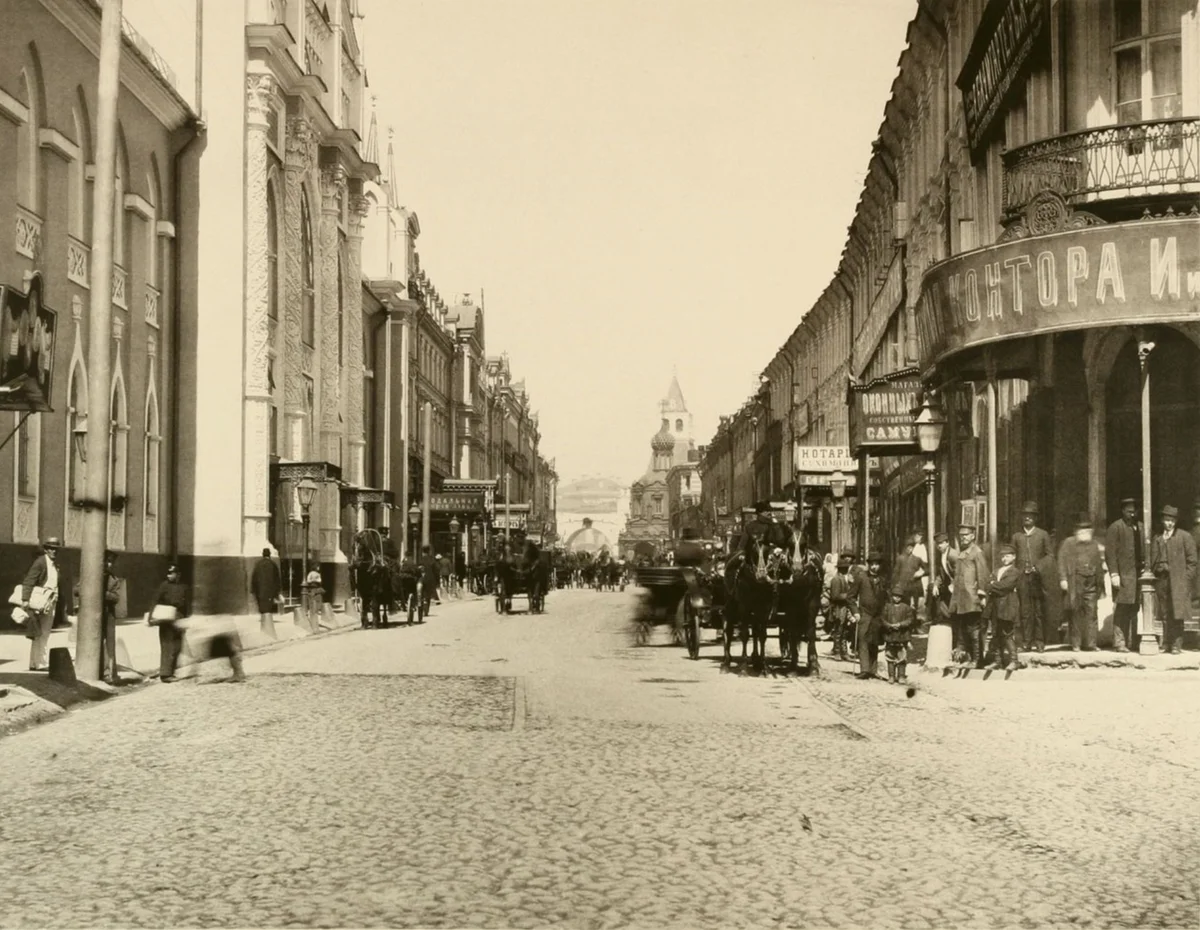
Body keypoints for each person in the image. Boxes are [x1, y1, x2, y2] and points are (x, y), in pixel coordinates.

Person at [1151, 504, 1197, 655]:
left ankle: (1176, 644)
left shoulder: (1184, 537)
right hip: (1161, 580)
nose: (1169, 523)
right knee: (1164, 613)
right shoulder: (1158, 538)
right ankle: (1166, 643)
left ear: (1175, 521)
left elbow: (1192, 562)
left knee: (1177, 612)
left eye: (1172, 520)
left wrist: (1186, 579)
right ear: (1162, 520)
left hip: (1178, 581)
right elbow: (1152, 558)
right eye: (1166, 519)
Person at [1057, 514, 1107, 652]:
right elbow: (1061, 561)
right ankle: (1076, 644)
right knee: (1075, 613)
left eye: (1087, 530)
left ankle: (1090, 643)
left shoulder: (1094, 545)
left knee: (1092, 613)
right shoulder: (1068, 543)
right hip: (1075, 582)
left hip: (1091, 583)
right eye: (1082, 530)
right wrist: (1063, 579)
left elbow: (1099, 564)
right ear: (1076, 532)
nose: (1085, 532)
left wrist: (1100, 585)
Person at [20, 537, 71, 672]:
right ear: (46, 549)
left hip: (50, 603)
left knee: (43, 633)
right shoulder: (41, 562)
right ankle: (38, 663)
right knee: (40, 633)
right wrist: (25, 599)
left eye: (56, 549)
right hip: (40, 602)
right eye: (50, 548)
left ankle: (35, 662)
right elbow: (29, 580)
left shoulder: (54, 565)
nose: (53, 551)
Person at [1012, 501, 1054, 653]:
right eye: (1025, 515)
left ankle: (1040, 641)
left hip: (1038, 578)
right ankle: (1026, 642)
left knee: (1038, 611)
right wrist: (1015, 574)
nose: (1027, 518)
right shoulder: (1017, 537)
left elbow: (1050, 556)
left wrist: (1038, 567)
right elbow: (1012, 557)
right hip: (1022, 578)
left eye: (1030, 516)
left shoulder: (1043, 535)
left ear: (1035, 518)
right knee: (1025, 611)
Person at [1106, 497, 1143, 653]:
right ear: (1123, 511)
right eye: (1129, 511)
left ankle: (1134, 641)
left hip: (1137, 576)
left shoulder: (1140, 527)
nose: (1132, 514)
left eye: (1134, 511)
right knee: (1122, 608)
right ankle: (1119, 642)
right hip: (1122, 576)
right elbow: (1110, 553)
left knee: (1135, 609)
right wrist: (1114, 573)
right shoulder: (1116, 527)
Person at [950, 523, 989, 668]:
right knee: (964, 629)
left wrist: (982, 594)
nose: (963, 538)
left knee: (974, 630)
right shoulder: (962, 552)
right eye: (961, 535)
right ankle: (969, 658)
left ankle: (978, 660)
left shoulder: (976, 552)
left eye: (966, 535)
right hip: (961, 597)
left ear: (973, 536)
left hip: (972, 597)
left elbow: (983, 574)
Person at [151, 564, 194, 682]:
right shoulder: (164, 586)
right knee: (167, 646)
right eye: (168, 573)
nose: (168, 575)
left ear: (178, 574)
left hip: (179, 617)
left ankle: (171, 671)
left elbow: (188, 605)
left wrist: (187, 619)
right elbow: (155, 600)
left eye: (171, 573)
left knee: (178, 646)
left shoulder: (184, 587)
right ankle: (165, 675)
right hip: (166, 618)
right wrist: (151, 617)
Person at [984, 543, 1021, 671]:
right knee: (996, 634)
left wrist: (993, 585)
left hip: (1007, 606)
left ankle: (1014, 660)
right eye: (1002, 556)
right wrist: (993, 585)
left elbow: (1006, 586)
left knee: (1007, 633)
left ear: (1014, 557)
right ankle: (998, 661)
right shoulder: (996, 571)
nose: (1004, 559)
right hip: (994, 606)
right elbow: (987, 584)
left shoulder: (1015, 572)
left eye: (1007, 556)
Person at [855, 551, 887, 680]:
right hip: (864, 614)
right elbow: (851, 597)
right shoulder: (861, 577)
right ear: (868, 565)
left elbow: (887, 597)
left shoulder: (883, 579)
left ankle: (873, 670)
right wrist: (855, 612)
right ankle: (864, 670)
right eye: (872, 564)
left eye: (877, 564)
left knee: (874, 641)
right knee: (863, 640)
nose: (874, 567)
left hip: (878, 615)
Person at [881, 584, 915, 683]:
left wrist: (900, 624)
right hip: (890, 635)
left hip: (902, 636)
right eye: (895, 596)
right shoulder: (887, 607)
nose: (897, 598)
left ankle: (901, 676)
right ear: (892, 596)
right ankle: (891, 676)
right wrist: (889, 625)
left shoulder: (906, 608)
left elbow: (910, 620)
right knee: (890, 656)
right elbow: (882, 619)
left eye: (899, 596)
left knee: (902, 656)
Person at [827, 552, 858, 662]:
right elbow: (835, 596)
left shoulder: (846, 579)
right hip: (838, 609)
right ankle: (837, 651)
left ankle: (844, 652)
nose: (845, 570)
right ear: (840, 569)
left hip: (845, 608)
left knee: (845, 631)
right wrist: (849, 596)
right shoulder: (836, 579)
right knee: (838, 631)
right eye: (843, 568)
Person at [250, 547, 281, 638]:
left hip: (260, 590)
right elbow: (277, 579)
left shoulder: (258, 564)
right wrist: (277, 591)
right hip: (270, 590)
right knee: (268, 606)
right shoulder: (273, 564)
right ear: (270, 555)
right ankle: (267, 623)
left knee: (262, 605)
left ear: (263, 555)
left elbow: (254, 578)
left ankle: (263, 622)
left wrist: (253, 589)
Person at [891, 536, 923, 607]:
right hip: (903, 587)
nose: (909, 549)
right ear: (905, 548)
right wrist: (894, 586)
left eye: (911, 547)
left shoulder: (917, 559)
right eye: (908, 547)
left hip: (914, 587)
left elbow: (928, 569)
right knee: (904, 605)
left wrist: (921, 573)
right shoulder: (900, 558)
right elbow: (895, 573)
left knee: (914, 607)